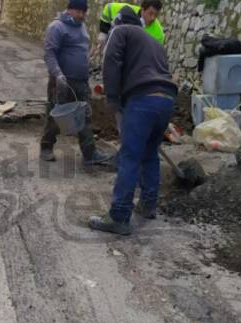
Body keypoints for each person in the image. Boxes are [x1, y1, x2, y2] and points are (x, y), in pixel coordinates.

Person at [89, 7, 177, 235]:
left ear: (118, 23)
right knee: (149, 154)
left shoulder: (120, 32)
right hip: (166, 100)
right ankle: (148, 205)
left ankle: (118, 216)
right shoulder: (153, 41)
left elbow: (111, 60)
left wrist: (112, 97)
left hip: (142, 100)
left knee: (129, 156)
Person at [41, 0, 110, 166]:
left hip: (81, 81)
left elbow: (80, 50)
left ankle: (89, 153)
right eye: (79, 12)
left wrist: (87, 60)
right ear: (69, 10)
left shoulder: (82, 26)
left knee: (84, 116)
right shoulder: (56, 27)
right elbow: (49, 54)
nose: (82, 15)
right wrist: (58, 74)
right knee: (55, 116)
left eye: (84, 12)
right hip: (62, 81)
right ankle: (46, 147)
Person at [91, 1, 165, 63]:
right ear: (142, 9)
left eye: (156, 15)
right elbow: (109, 8)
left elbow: (155, 56)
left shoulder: (158, 33)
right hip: (116, 52)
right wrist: (103, 32)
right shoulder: (126, 11)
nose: (153, 18)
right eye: (150, 13)